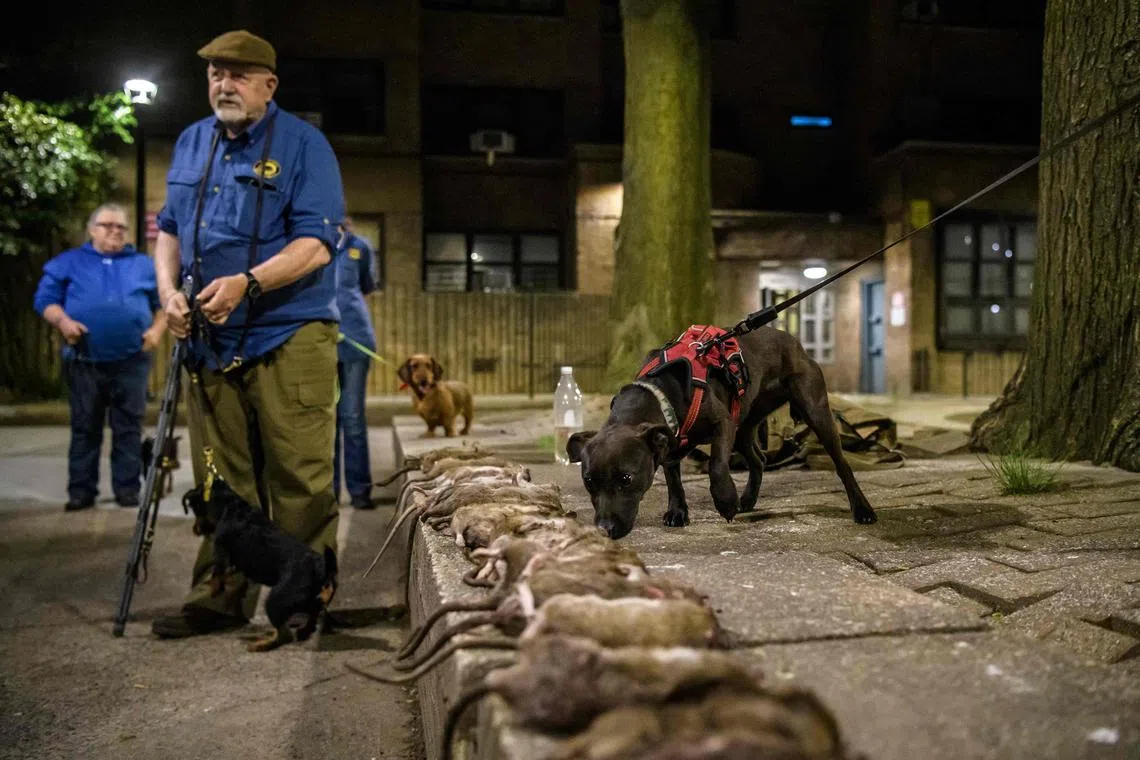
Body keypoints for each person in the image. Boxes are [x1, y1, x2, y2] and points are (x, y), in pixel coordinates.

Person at [149, 29, 346, 638]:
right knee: (219, 477)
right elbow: (169, 230)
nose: (223, 84)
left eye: (237, 74)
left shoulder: (305, 145)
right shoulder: (190, 142)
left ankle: (301, 597)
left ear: (269, 85)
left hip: (289, 331)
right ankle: (220, 591)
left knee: (298, 474)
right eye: (214, 74)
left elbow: (316, 245)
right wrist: (167, 294)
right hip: (209, 337)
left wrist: (248, 284)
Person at [33, 204, 165, 511]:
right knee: (85, 427)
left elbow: (163, 302)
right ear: (92, 229)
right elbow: (45, 300)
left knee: (129, 428)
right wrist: (64, 322)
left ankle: (127, 489)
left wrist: (157, 331)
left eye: (121, 227)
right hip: (84, 361)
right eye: (107, 225)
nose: (115, 231)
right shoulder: (68, 262)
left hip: (131, 360)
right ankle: (81, 491)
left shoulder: (143, 265)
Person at [333, 216, 379, 509]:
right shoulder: (309, 243)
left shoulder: (359, 247)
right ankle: (329, 492)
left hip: (355, 341)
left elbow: (366, 287)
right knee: (325, 423)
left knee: (352, 418)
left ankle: (360, 490)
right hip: (319, 344)